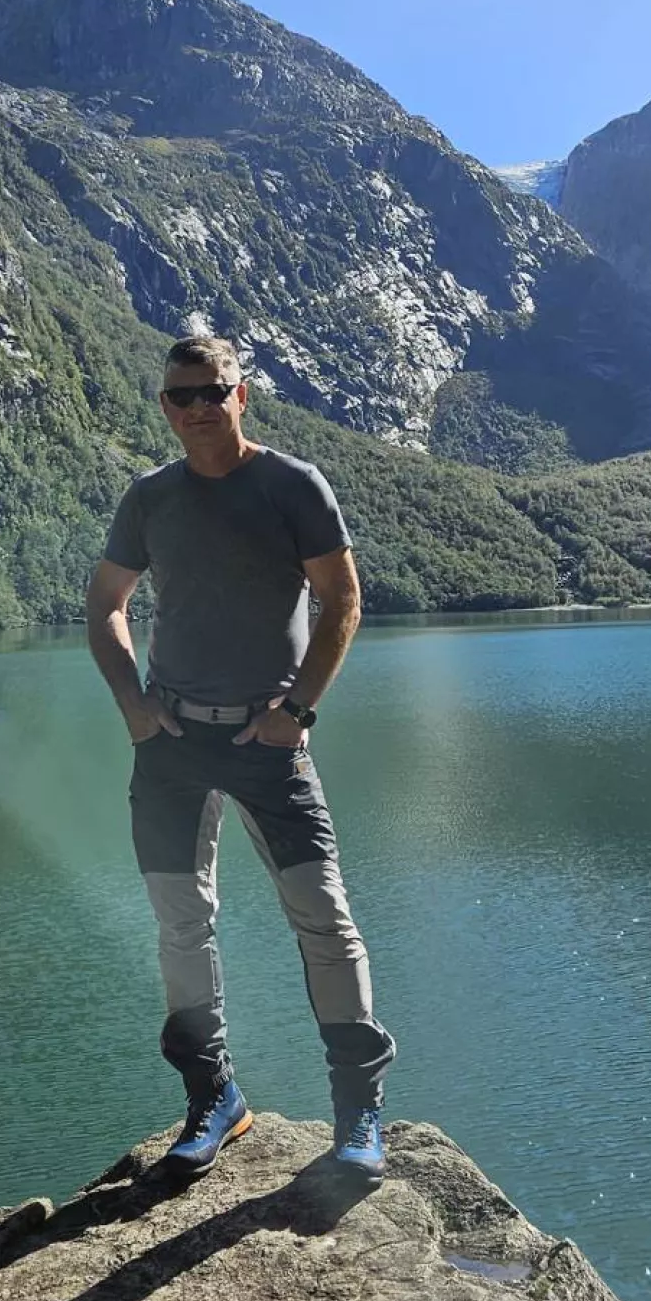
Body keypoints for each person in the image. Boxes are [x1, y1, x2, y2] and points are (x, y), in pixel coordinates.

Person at [86, 334, 395, 1182]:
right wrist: (136, 707)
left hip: (269, 743)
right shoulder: (150, 497)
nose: (197, 407)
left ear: (241, 395)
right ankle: (214, 1097)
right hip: (174, 742)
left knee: (323, 915)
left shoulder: (292, 485)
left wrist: (297, 710)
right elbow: (106, 603)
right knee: (181, 925)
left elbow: (342, 598)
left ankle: (359, 1109)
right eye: (180, 395)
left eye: (212, 391)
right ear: (164, 406)